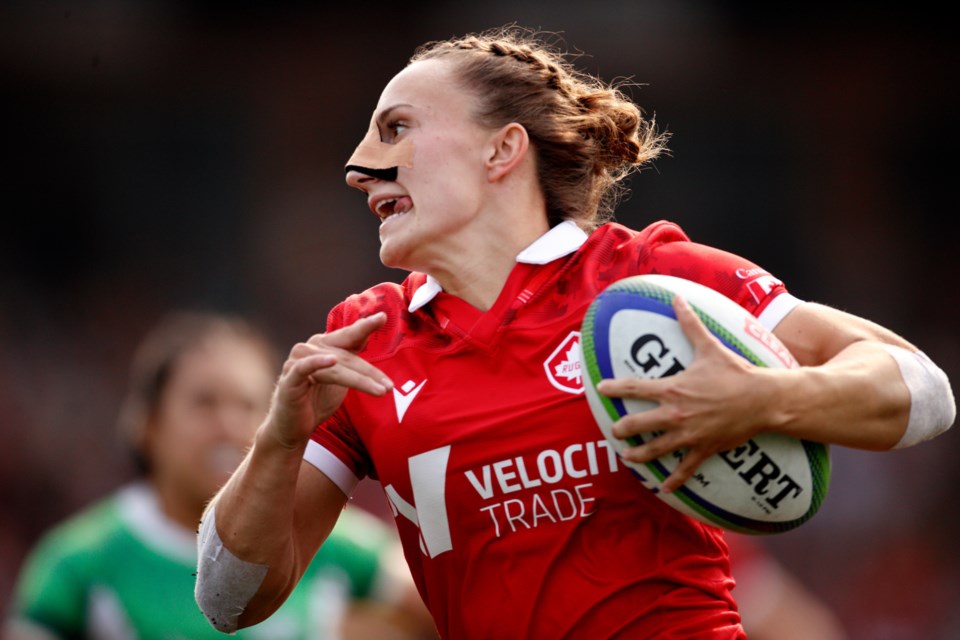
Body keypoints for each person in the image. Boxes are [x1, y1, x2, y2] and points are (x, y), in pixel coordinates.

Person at [194, 25, 956, 640]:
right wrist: (277, 441)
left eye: (396, 129)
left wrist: (765, 398)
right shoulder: (364, 339)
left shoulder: (646, 280)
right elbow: (229, 600)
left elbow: (924, 391)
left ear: (503, 150)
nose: (362, 168)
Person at [4, 311, 433, 640]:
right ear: (147, 425)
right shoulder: (81, 561)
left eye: (248, 406)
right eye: (204, 403)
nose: (229, 426)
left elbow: (447, 606)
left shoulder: (327, 541)